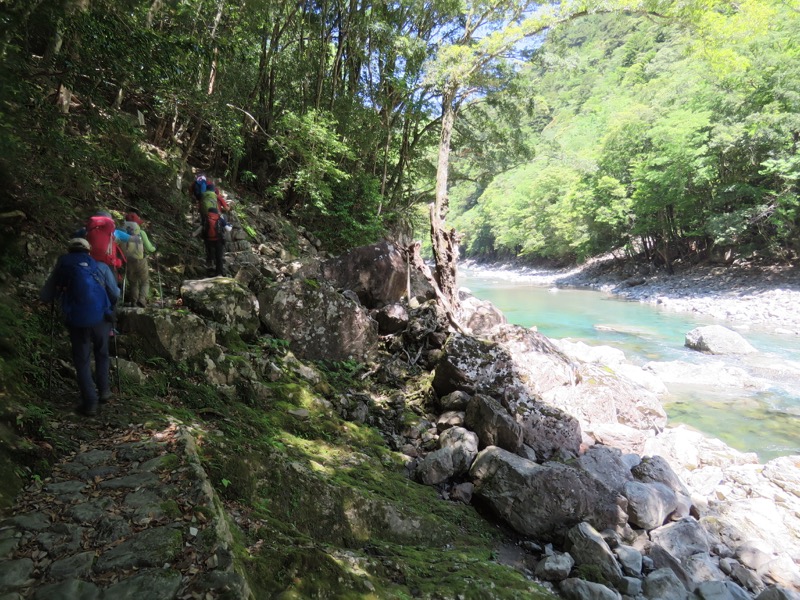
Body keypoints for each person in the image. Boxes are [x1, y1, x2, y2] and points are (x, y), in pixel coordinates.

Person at [40, 238, 120, 417]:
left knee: (82, 360)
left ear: (69, 251)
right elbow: (114, 294)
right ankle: (104, 391)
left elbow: (45, 295)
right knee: (102, 353)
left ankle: (90, 402)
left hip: (77, 321)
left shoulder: (64, 267)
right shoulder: (100, 267)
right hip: (101, 318)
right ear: (88, 251)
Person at [122, 212, 157, 307]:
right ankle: (142, 299)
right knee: (145, 281)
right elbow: (150, 248)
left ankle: (134, 302)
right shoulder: (141, 233)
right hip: (140, 261)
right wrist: (155, 248)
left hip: (128, 261)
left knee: (133, 283)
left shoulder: (123, 233)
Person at [203, 207, 231, 276]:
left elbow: (201, 228)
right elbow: (228, 229)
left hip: (208, 240)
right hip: (219, 240)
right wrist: (230, 225)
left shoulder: (206, 218)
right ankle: (219, 273)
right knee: (219, 257)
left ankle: (209, 271)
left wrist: (193, 234)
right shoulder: (219, 218)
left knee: (210, 256)